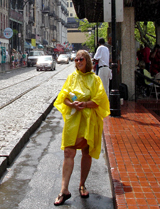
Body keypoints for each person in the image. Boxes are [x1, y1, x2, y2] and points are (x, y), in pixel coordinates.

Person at [53, 50, 110, 206]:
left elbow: (99, 99)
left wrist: (84, 104)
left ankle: (82, 184)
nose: (78, 62)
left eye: (81, 59)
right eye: (76, 59)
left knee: (86, 152)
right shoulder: (72, 77)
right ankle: (64, 190)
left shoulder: (95, 79)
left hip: (89, 120)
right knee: (68, 151)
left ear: (87, 61)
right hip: (74, 119)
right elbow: (63, 96)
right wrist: (72, 104)